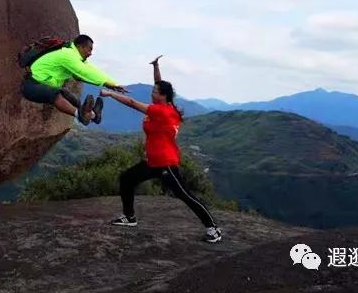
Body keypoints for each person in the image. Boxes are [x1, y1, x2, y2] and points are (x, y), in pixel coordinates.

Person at [101, 55, 223, 243]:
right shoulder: (166, 105)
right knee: (126, 179)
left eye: (154, 91)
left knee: (184, 194)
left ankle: (213, 228)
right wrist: (156, 67)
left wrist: (110, 94)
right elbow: (159, 83)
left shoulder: (161, 111)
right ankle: (129, 217)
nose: (151, 93)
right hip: (153, 161)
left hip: (166, 163)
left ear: (163, 95)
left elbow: (132, 103)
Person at [21, 34, 127, 125]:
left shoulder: (75, 56)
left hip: (43, 84)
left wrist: (111, 83)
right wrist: (107, 83)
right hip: (31, 86)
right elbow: (83, 72)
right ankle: (80, 115)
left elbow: (88, 71)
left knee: (70, 97)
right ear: (80, 47)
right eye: (89, 49)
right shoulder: (67, 55)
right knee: (55, 94)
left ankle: (94, 115)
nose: (90, 53)